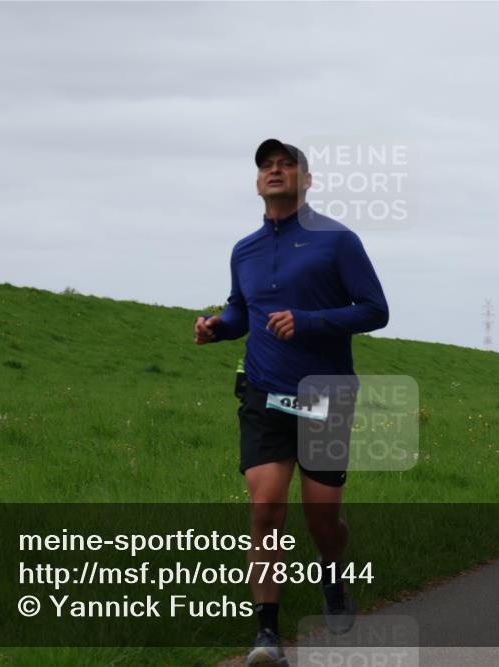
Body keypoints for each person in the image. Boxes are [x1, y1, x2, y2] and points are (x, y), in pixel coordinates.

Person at [194, 139, 389, 666]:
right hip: (262, 390)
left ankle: (332, 575)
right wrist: (217, 327)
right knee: (266, 507)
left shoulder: (338, 242)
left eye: (285, 165)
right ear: (258, 182)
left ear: (307, 180)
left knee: (322, 521)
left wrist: (309, 320)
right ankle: (266, 635)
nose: (274, 171)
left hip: (325, 392)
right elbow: (242, 311)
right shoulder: (245, 249)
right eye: (266, 166)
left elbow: (375, 310)